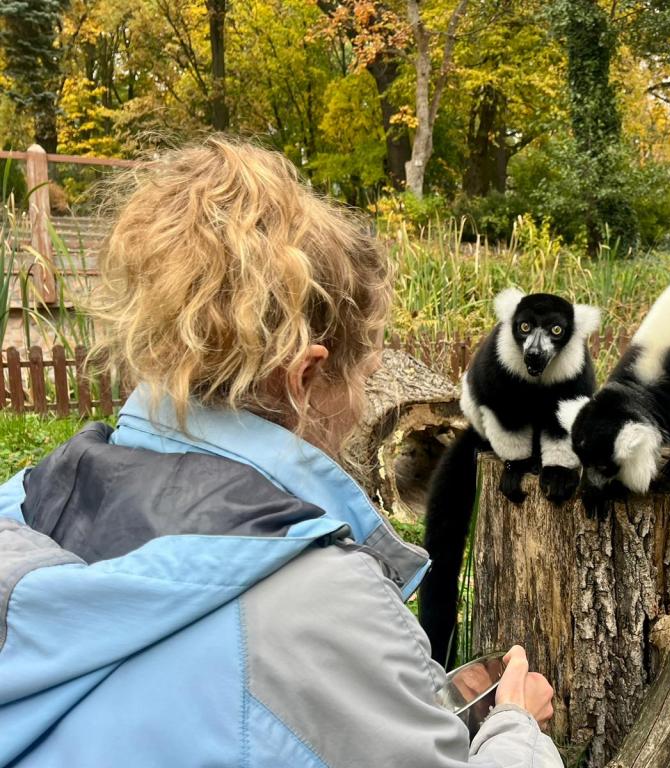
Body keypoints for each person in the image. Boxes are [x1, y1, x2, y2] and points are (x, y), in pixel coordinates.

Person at [0, 137, 561, 767]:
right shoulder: (320, 604)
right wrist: (515, 729)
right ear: (304, 379)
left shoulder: (27, 503)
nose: (361, 403)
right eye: (364, 376)